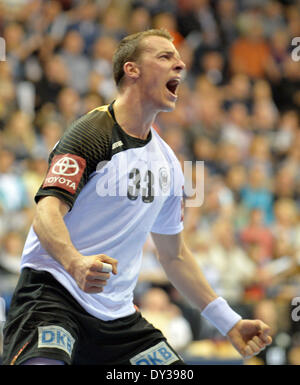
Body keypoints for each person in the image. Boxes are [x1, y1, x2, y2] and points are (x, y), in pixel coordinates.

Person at [2, 29, 272, 366]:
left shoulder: (169, 165)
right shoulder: (92, 133)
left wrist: (228, 321)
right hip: (52, 296)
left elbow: (174, 256)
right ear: (132, 70)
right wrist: (75, 262)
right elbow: (46, 214)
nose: (181, 64)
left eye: (179, 58)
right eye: (165, 57)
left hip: (117, 320)